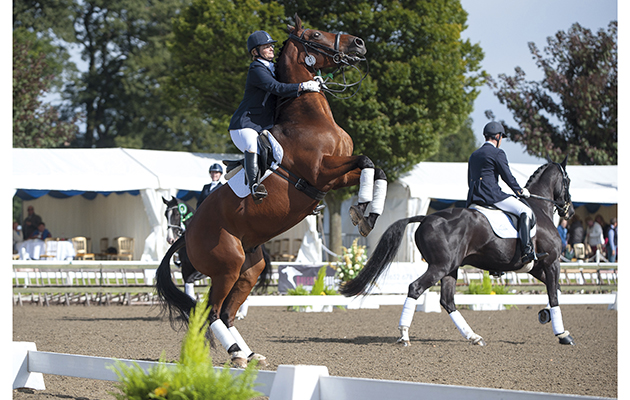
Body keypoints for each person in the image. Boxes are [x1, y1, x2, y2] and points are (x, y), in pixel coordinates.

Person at [228, 30, 321, 202]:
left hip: (262, 126)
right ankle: (254, 186)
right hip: (244, 126)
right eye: (266, 46)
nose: (271, 48)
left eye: (271, 45)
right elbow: (276, 88)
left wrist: (314, 79)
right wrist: (303, 86)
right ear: (255, 52)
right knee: (251, 145)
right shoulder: (256, 69)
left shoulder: (271, 68)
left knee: (282, 154)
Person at [466, 121, 541, 264]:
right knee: (525, 211)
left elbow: (469, 178)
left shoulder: (474, 155)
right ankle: (527, 251)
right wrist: (519, 191)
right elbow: (507, 176)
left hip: (474, 198)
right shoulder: (497, 153)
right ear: (498, 136)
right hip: (492, 196)